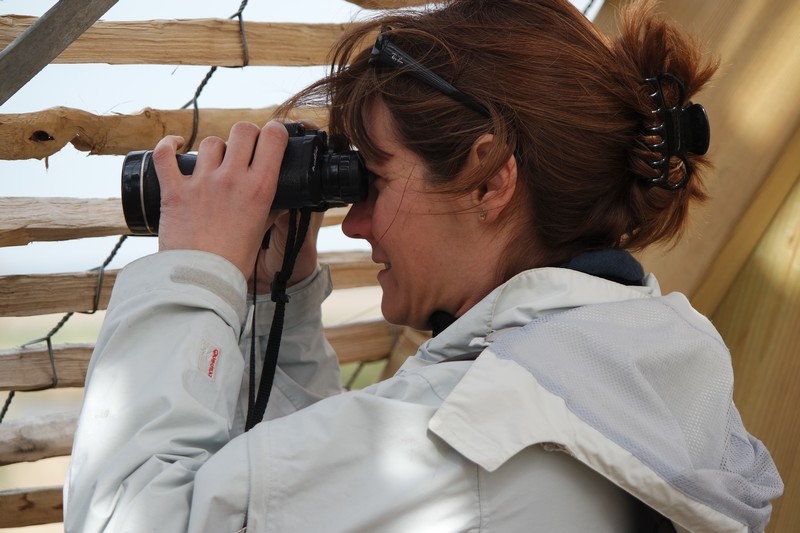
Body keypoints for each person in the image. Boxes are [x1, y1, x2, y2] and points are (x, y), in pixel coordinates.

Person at [65, 0, 784, 531]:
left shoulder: (472, 435)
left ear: (490, 179)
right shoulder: (622, 382)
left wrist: (193, 271)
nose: (354, 221)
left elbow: (128, 517)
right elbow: (313, 485)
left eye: (373, 179)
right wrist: (271, 310)